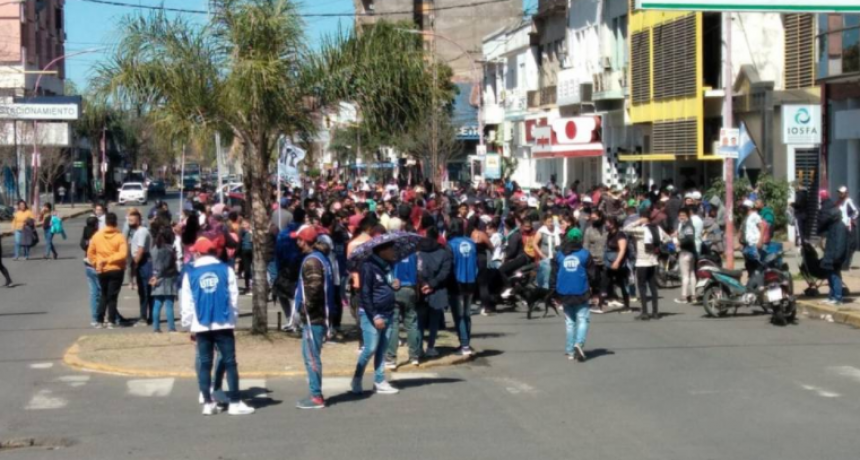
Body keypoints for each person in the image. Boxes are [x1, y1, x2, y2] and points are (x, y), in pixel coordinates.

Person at [180, 237, 255, 416]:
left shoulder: (190, 273)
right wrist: (233, 317)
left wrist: (189, 324)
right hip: (223, 322)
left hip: (201, 323)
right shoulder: (226, 270)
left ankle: (208, 402)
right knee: (230, 362)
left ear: (198, 253)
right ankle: (235, 402)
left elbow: (187, 301)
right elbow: (233, 297)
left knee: (205, 363)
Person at [292, 225, 335, 410]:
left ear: (304, 240)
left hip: (314, 317)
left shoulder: (312, 261)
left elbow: (314, 289)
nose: (296, 242)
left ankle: (316, 396)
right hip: (319, 315)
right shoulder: (322, 258)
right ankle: (315, 393)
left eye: (298, 239)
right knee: (311, 355)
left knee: (311, 356)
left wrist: (303, 310)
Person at [351, 240, 401, 396]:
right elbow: (365, 293)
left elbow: (386, 285)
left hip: (388, 311)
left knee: (382, 349)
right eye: (391, 249)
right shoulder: (368, 266)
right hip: (372, 313)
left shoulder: (387, 266)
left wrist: (395, 284)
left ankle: (379, 380)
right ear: (382, 251)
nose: (394, 252)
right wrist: (374, 316)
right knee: (370, 348)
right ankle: (357, 378)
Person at [548, 228, 594, 362]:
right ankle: (578, 343)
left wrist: (553, 292)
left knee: (570, 322)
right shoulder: (585, 254)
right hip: (581, 291)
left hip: (563, 292)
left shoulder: (559, 255)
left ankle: (569, 351)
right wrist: (595, 290)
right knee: (583, 319)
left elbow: (553, 275)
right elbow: (593, 275)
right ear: (580, 239)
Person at [88, 213, 128, 328]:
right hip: (116, 269)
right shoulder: (120, 236)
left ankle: (99, 320)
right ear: (115, 222)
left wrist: (96, 263)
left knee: (104, 295)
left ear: (105, 222)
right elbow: (123, 254)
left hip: (102, 269)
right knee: (113, 296)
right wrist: (109, 260)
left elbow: (90, 253)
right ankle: (111, 320)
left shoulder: (97, 236)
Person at [416, 226, 451, 359]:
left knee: (419, 321)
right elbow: (445, 272)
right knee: (434, 321)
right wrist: (432, 284)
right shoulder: (444, 252)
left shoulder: (418, 252)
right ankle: (431, 346)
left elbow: (416, 270)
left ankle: (418, 348)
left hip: (420, 289)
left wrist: (423, 284)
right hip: (438, 289)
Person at [625, 210, 667, 320]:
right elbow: (668, 238)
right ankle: (655, 312)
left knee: (642, 287)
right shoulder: (657, 229)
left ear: (643, 218)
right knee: (653, 287)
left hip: (642, 262)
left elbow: (626, 229)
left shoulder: (641, 230)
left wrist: (637, 222)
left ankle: (644, 312)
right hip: (653, 260)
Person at [447, 218, 477, 356]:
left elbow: (449, 265)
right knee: (466, 314)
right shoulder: (471, 243)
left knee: (459, 315)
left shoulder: (451, 244)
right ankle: (466, 343)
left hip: (457, 282)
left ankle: (464, 345)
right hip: (471, 280)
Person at [819, 198, 849, 305]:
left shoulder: (839, 226)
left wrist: (837, 257)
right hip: (830, 254)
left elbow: (840, 243)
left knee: (835, 276)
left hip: (835, 257)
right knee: (830, 275)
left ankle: (837, 297)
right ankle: (831, 296)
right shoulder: (832, 226)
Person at [150, 227, 179, 333]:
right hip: (167, 278)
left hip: (156, 276)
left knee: (157, 303)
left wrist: (154, 276)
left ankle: (156, 327)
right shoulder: (168, 249)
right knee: (169, 303)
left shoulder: (154, 248)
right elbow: (165, 266)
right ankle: (171, 327)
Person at [128, 211, 153, 325]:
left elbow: (141, 249)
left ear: (138, 220)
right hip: (141, 262)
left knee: (145, 290)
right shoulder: (137, 232)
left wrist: (135, 263)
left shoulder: (142, 232)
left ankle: (145, 317)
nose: (129, 222)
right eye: (129, 220)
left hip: (143, 262)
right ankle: (147, 316)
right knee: (143, 291)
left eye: (131, 220)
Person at [603, 218, 630, 310]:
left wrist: (617, 262)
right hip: (609, 263)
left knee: (623, 284)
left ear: (614, 224)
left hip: (619, 264)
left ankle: (627, 305)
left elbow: (623, 249)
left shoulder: (620, 235)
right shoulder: (610, 234)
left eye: (608, 223)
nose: (606, 225)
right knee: (605, 282)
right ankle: (601, 304)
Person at [584, 210, 607, 312]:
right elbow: (585, 246)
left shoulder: (607, 229)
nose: (593, 220)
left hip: (606, 260)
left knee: (604, 281)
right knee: (594, 281)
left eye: (595, 218)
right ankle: (595, 301)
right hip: (593, 260)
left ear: (601, 217)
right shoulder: (589, 230)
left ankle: (602, 300)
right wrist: (587, 259)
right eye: (591, 218)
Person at [739, 199, 766, 279]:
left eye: (744, 207)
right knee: (749, 265)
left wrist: (760, 241)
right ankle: (752, 282)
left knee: (757, 265)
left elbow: (762, 227)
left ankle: (759, 282)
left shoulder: (755, 216)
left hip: (754, 244)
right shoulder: (747, 217)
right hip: (748, 245)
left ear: (749, 208)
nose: (742, 209)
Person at [81, 216, 101, 326]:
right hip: (96, 264)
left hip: (87, 263)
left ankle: (94, 318)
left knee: (93, 292)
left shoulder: (85, 233)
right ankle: (104, 316)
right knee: (102, 292)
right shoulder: (97, 235)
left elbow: (82, 245)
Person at [676, 207, 698, 304]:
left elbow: (690, 239)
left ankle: (684, 297)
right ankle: (693, 296)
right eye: (680, 215)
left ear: (688, 216)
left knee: (685, 276)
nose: (681, 217)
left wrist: (680, 243)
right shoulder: (684, 225)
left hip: (686, 252)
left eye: (683, 215)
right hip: (690, 253)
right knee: (691, 274)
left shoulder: (688, 226)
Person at [533, 214, 561, 290]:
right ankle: (543, 291)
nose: (551, 223)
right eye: (548, 222)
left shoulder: (557, 230)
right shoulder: (541, 231)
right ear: (544, 222)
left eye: (551, 221)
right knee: (546, 277)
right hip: (545, 258)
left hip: (556, 258)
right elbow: (534, 243)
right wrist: (541, 254)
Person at [836, 185, 858, 270]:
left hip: (849, 226)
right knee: (846, 245)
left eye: (842, 193)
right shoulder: (839, 202)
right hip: (842, 226)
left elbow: (856, 211)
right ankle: (844, 264)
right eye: (839, 193)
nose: (840, 194)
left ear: (846, 193)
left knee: (852, 245)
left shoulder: (848, 201)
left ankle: (845, 263)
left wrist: (851, 219)